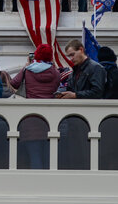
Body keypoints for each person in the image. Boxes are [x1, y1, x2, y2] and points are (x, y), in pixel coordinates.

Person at [56, 39, 106, 169]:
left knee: (87, 155)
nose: (71, 58)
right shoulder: (75, 71)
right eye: (69, 56)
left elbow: (98, 92)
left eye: (72, 54)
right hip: (76, 120)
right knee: (75, 155)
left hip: (90, 120)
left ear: (81, 50)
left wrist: (75, 95)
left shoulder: (95, 68)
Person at [9, 44, 59, 169]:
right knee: (50, 158)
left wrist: (26, 67)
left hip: (31, 118)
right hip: (50, 118)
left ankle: (37, 185)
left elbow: (13, 84)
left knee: (34, 156)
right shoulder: (55, 72)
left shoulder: (28, 70)